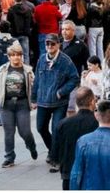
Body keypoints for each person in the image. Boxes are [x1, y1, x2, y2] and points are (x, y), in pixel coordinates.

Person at [32, 33, 80, 170]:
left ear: (58, 44)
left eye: (52, 44)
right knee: (41, 128)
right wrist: (34, 98)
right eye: (47, 43)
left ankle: (56, 158)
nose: (49, 46)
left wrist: (61, 92)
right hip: (43, 100)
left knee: (57, 129)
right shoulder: (41, 59)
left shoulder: (65, 61)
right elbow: (37, 80)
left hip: (59, 102)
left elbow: (74, 78)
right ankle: (53, 150)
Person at [0, 42, 38, 168]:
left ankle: (31, 146)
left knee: (25, 131)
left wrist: (34, 100)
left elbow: (35, 86)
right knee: (9, 132)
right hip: (6, 104)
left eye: (18, 55)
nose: (16, 57)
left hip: (22, 104)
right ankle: (9, 157)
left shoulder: (27, 70)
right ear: (9, 56)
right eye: (13, 55)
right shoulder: (2, 69)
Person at [50, 86, 99, 190]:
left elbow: (55, 151)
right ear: (91, 102)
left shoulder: (63, 123)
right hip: (91, 172)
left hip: (68, 172)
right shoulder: (97, 123)